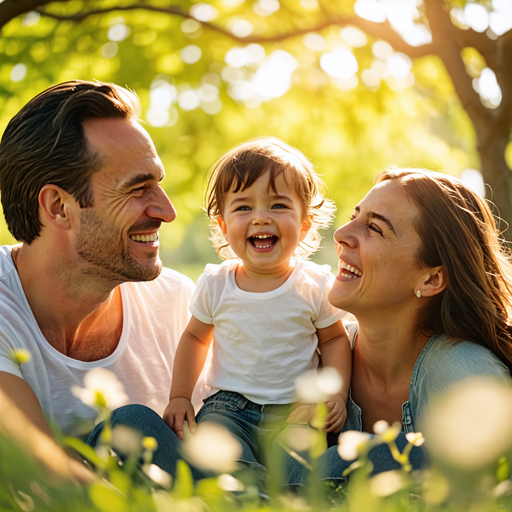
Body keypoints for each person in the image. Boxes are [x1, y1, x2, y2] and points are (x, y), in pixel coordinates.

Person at [0, 81, 206, 477]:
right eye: (138, 188)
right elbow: (46, 481)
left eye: (158, 183)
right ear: (59, 207)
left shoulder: (179, 306)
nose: (166, 210)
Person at [284, 167, 512, 487]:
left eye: (375, 228)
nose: (341, 234)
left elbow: (492, 467)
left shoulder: (465, 370)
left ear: (431, 279)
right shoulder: (314, 355)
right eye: (354, 216)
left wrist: (335, 464)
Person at [163, 138, 352, 474]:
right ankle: (247, 482)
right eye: (243, 207)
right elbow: (194, 339)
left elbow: (335, 341)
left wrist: (334, 395)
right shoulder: (216, 284)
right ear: (222, 225)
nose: (261, 218)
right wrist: (180, 396)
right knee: (216, 447)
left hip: (297, 408)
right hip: (229, 406)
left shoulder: (313, 285)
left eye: (278, 206)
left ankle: (276, 484)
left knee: (302, 465)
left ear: (305, 222)